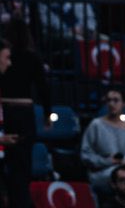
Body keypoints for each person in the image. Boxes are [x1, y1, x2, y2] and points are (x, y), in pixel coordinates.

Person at [0, 20, 52, 207]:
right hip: (23, 112)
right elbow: (43, 88)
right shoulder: (32, 57)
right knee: (21, 166)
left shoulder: (7, 55)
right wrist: (47, 113)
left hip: (4, 110)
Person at [81, 90, 125, 194]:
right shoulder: (96, 125)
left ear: (123, 104)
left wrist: (124, 160)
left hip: (124, 168)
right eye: (109, 100)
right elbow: (86, 154)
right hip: (102, 172)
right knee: (122, 178)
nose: (111, 104)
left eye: (116, 100)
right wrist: (107, 161)